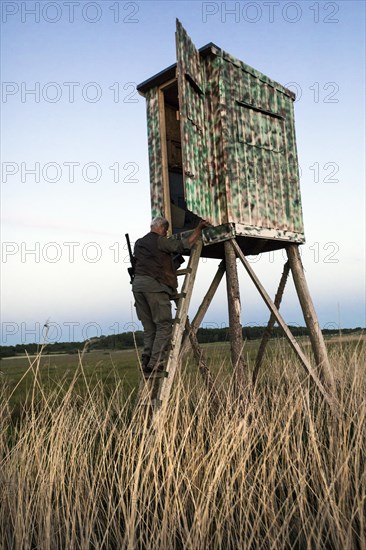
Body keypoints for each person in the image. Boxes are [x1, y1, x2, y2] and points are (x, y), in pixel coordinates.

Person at [132, 216, 207, 374]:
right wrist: (199, 229)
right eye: (165, 230)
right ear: (160, 228)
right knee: (164, 325)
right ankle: (155, 363)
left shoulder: (139, 243)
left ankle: (146, 361)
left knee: (149, 327)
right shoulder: (160, 241)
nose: (166, 233)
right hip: (155, 287)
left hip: (138, 287)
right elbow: (184, 245)